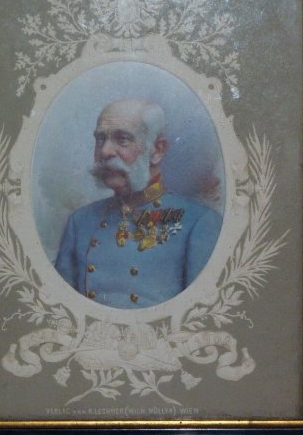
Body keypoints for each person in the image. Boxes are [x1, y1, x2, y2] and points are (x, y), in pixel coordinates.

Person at [55, 99, 222, 309]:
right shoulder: (80, 222)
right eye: (100, 139)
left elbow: (201, 313)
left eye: (122, 139)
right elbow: (60, 307)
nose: (105, 151)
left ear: (157, 150)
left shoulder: (199, 223)